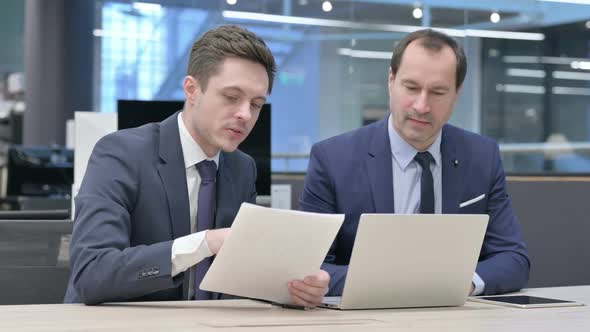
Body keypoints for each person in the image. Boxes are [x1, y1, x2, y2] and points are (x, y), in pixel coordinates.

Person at [65, 25, 329, 307]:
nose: (245, 114)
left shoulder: (242, 168)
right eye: (231, 97)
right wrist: (203, 243)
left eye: (256, 104)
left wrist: (292, 289)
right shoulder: (121, 154)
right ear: (192, 89)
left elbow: (239, 278)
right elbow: (91, 273)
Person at [300, 29, 530, 296]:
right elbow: (312, 265)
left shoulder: (481, 156)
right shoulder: (332, 159)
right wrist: (403, 282)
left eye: (438, 92)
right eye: (411, 87)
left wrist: (460, 283)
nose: (422, 105)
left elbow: (513, 258)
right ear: (391, 81)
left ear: (457, 93)